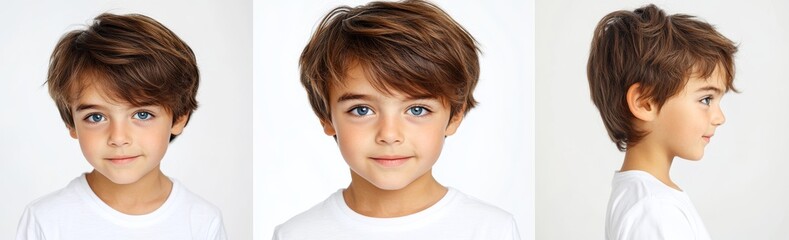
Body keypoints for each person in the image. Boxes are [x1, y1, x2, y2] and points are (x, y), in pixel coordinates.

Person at [273, 0, 520, 239]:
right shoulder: (296, 234)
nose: (389, 135)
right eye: (361, 110)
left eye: (416, 110)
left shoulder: (492, 230)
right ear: (326, 117)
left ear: (455, 116)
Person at [16, 13, 227, 240]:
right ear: (71, 123)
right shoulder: (46, 220)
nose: (118, 138)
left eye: (142, 114)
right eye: (96, 117)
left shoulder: (202, 222)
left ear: (179, 118)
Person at [587, 4, 737, 240]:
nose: (720, 118)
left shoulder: (647, 199)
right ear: (645, 102)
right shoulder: (654, 210)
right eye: (706, 99)